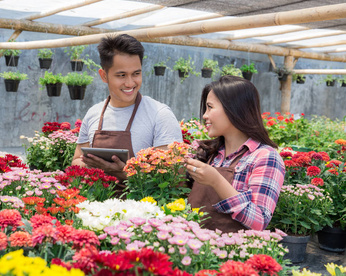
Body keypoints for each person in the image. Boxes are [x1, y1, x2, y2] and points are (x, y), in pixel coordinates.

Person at [71, 34, 183, 181]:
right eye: (121, 75)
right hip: (97, 202)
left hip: (144, 203)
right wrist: (99, 167)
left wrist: (122, 172)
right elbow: (76, 161)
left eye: (136, 73)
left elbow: (174, 176)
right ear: (104, 76)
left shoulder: (159, 114)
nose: (130, 83)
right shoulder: (94, 113)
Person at [185, 75, 285, 232]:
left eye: (210, 107)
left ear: (234, 109)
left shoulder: (265, 157)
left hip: (233, 253)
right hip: (193, 249)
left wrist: (217, 181)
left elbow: (259, 222)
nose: (205, 115)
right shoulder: (209, 153)